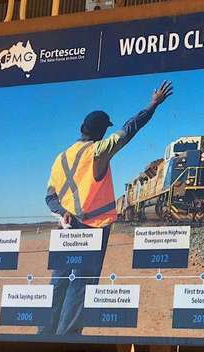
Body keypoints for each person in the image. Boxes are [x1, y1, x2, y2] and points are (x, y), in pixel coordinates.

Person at [41, 81, 173, 335]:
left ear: (82, 128)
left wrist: (63, 212)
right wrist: (153, 104)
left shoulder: (60, 158)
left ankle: (44, 333)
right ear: (101, 133)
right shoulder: (98, 150)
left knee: (58, 282)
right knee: (81, 284)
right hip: (92, 227)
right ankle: (67, 338)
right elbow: (129, 129)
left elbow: (50, 198)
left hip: (65, 228)